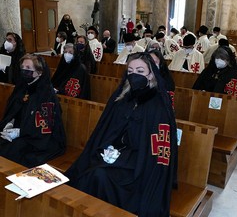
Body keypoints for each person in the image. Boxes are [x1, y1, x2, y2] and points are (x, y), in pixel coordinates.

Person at [65, 52, 178, 217]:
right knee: (87, 172)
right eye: (130, 71)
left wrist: (121, 154)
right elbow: (106, 131)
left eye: (140, 71)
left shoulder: (158, 106)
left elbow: (157, 152)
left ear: (151, 74)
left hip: (138, 165)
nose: (134, 75)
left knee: (99, 176)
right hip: (115, 156)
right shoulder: (123, 98)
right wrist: (108, 147)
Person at [0, 54, 66, 168]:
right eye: (23, 67)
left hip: (38, 138)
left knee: (12, 150)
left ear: (39, 72)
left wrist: (20, 132)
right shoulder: (22, 87)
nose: (24, 71)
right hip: (19, 130)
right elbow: (14, 110)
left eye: (29, 68)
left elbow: (45, 126)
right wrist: (9, 123)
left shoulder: (46, 94)